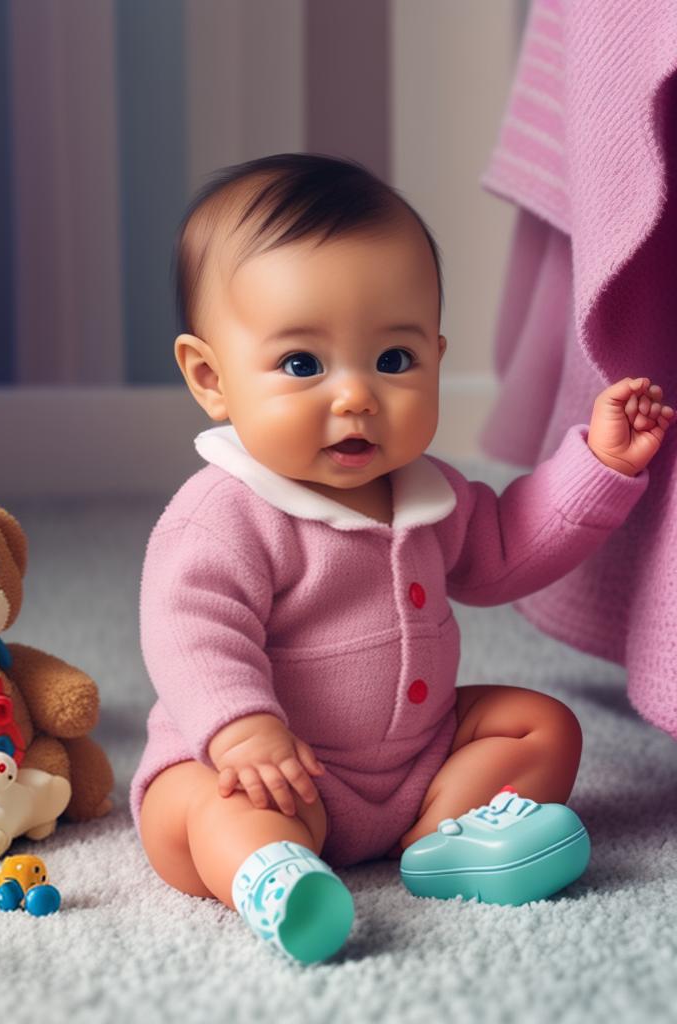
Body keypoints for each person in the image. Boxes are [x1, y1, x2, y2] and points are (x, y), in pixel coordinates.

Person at [130, 153, 672, 964]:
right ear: (212, 377)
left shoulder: (427, 490)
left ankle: (442, 840)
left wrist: (599, 464)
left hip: (416, 761)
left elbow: (505, 549)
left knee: (543, 724)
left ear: (437, 357)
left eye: (394, 360)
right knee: (200, 806)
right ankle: (272, 873)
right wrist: (242, 732)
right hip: (277, 776)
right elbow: (188, 630)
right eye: (303, 364)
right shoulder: (223, 515)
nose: (356, 396)